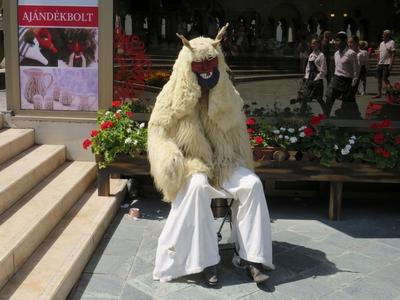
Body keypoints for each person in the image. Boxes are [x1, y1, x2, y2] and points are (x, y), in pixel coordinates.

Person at [148, 24, 274, 286]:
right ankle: (205, 261)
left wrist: (240, 161)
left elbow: (238, 135)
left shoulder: (229, 95)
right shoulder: (168, 97)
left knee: (252, 184)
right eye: (199, 64)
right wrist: (170, 157)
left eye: (210, 63)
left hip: (226, 162)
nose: (206, 69)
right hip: (192, 164)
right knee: (196, 187)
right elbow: (158, 133)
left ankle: (252, 257)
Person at [324, 31, 359, 117]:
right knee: (329, 97)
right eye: (335, 40)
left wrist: (353, 85)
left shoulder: (351, 54)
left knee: (348, 103)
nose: (336, 42)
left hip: (347, 81)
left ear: (344, 42)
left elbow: (356, 70)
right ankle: (325, 118)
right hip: (336, 79)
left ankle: (354, 118)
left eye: (338, 40)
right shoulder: (336, 54)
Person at [303, 38, 327, 112]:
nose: (313, 45)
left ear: (318, 45)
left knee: (319, 98)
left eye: (315, 43)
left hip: (317, 79)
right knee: (305, 96)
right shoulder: (311, 55)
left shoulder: (321, 55)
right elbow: (308, 67)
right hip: (310, 78)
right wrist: (306, 77)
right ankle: (302, 112)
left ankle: (326, 112)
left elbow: (323, 70)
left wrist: (317, 78)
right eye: (312, 43)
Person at [373, 30, 396, 98]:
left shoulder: (391, 42)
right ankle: (379, 94)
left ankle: (393, 93)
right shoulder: (381, 43)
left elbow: (393, 54)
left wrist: (391, 65)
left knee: (385, 79)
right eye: (383, 34)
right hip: (380, 64)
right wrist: (378, 62)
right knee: (379, 79)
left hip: (387, 64)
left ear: (388, 35)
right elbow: (380, 54)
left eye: (384, 34)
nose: (382, 35)